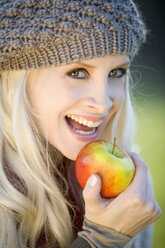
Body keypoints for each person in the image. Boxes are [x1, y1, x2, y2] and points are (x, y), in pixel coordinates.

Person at [0, 0, 161, 247]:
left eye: (116, 72)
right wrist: (101, 239)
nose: (104, 103)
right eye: (77, 72)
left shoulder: (131, 193)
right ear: (17, 79)